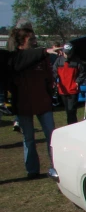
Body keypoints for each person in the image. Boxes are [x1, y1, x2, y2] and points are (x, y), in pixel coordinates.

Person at [11, 28, 56, 178]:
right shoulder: (16, 59)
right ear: (21, 43)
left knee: (51, 136)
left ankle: (56, 165)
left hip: (43, 102)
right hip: (24, 105)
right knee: (29, 138)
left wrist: (50, 92)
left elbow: (49, 77)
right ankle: (32, 170)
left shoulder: (40, 58)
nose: (35, 42)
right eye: (31, 40)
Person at [53, 43, 83, 125]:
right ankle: (72, 125)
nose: (66, 55)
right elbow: (54, 72)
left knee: (71, 110)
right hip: (63, 90)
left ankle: (71, 126)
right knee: (68, 110)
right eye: (65, 52)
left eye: (68, 53)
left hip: (73, 89)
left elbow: (82, 73)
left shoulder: (77, 61)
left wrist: (77, 82)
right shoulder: (59, 61)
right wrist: (54, 81)